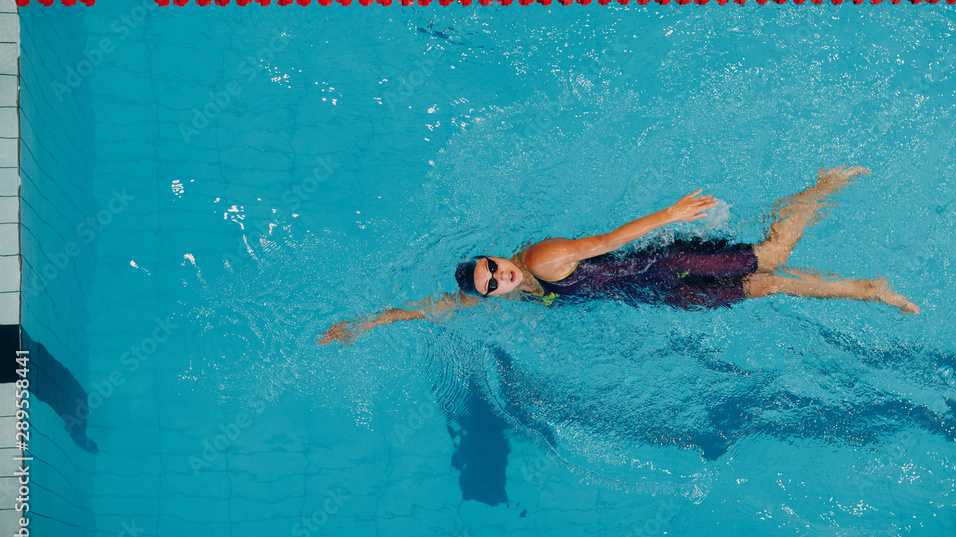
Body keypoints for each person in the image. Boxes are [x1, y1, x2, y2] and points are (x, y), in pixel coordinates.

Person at [318, 165, 918, 345]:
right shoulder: (510, 295)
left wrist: (670, 214)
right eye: (491, 281)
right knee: (772, 286)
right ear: (492, 293)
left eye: (493, 264)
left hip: (665, 263)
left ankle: (822, 185)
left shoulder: (543, 260)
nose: (500, 274)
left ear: (502, 257)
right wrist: (366, 325)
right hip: (658, 294)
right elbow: (435, 309)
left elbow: (603, 244)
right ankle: (870, 289)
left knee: (774, 253)